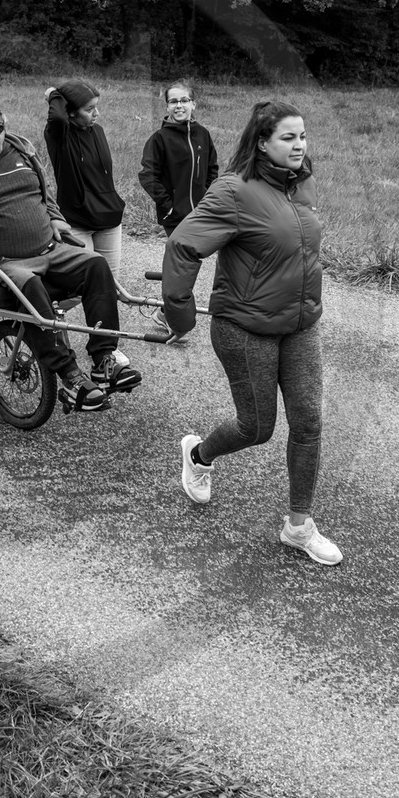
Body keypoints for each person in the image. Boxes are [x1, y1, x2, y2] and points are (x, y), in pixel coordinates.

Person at [162, 100, 340, 565]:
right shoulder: (234, 192)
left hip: (300, 324)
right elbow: (183, 245)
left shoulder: (301, 186)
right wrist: (179, 312)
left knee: (308, 423)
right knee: (257, 427)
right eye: (288, 137)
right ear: (262, 142)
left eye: (302, 136)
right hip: (245, 330)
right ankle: (199, 455)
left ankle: (299, 526)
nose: (299, 145)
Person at [0, 94, 143, 413]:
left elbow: (43, 193)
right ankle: (70, 376)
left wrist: (55, 218)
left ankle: (103, 359)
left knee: (95, 265)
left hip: (49, 250)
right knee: (30, 287)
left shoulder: (21, 148)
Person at [139, 79, 220, 333]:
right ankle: (174, 319)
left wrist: (208, 199)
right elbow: (148, 175)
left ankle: (168, 312)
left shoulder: (202, 134)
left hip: (201, 214)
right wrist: (169, 206)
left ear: (193, 104)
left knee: (186, 266)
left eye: (184, 100)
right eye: (173, 101)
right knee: (184, 266)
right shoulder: (160, 139)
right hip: (176, 217)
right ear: (167, 106)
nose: (179, 105)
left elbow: (212, 169)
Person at [43, 80, 126, 272]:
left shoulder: (98, 131)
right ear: (70, 111)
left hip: (109, 220)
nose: (97, 114)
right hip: (77, 223)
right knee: (78, 290)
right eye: (89, 109)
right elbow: (57, 117)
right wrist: (54, 94)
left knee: (110, 285)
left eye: (96, 107)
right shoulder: (59, 136)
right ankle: (34, 303)